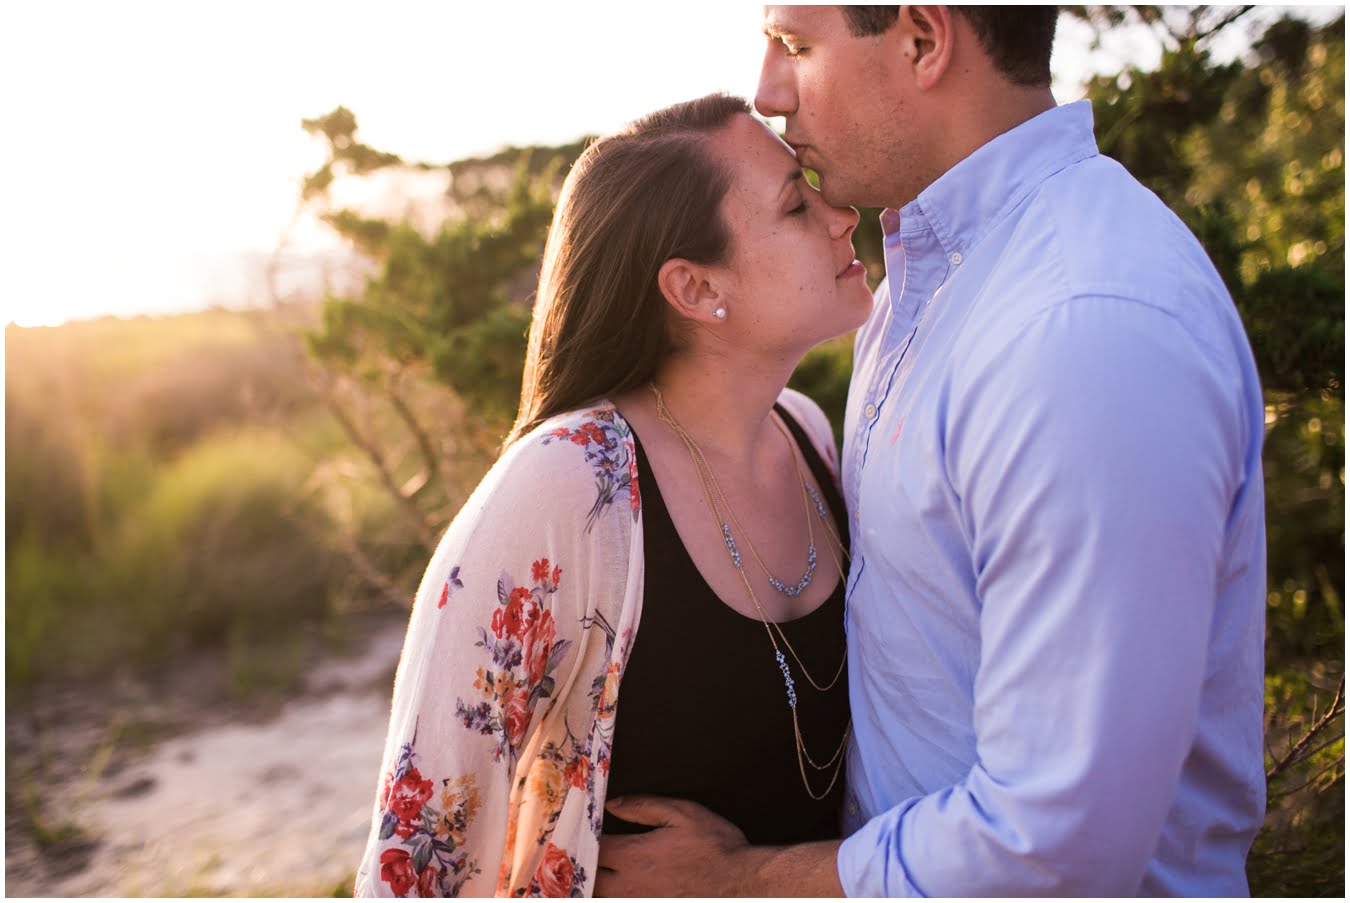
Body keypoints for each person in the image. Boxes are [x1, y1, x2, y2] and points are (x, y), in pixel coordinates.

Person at [595, 6, 1268, 897]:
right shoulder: (935, 277)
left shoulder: (1081, 328)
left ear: (921, 40)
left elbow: (1057, 842)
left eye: (796, 44)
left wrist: (739, 880)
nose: (766, 89)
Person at [352, 92, 876, 896]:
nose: (841, 215)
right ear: (696, 289)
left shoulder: (809, 436)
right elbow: (420, 857)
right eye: (796, 205)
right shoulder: (567, 486)